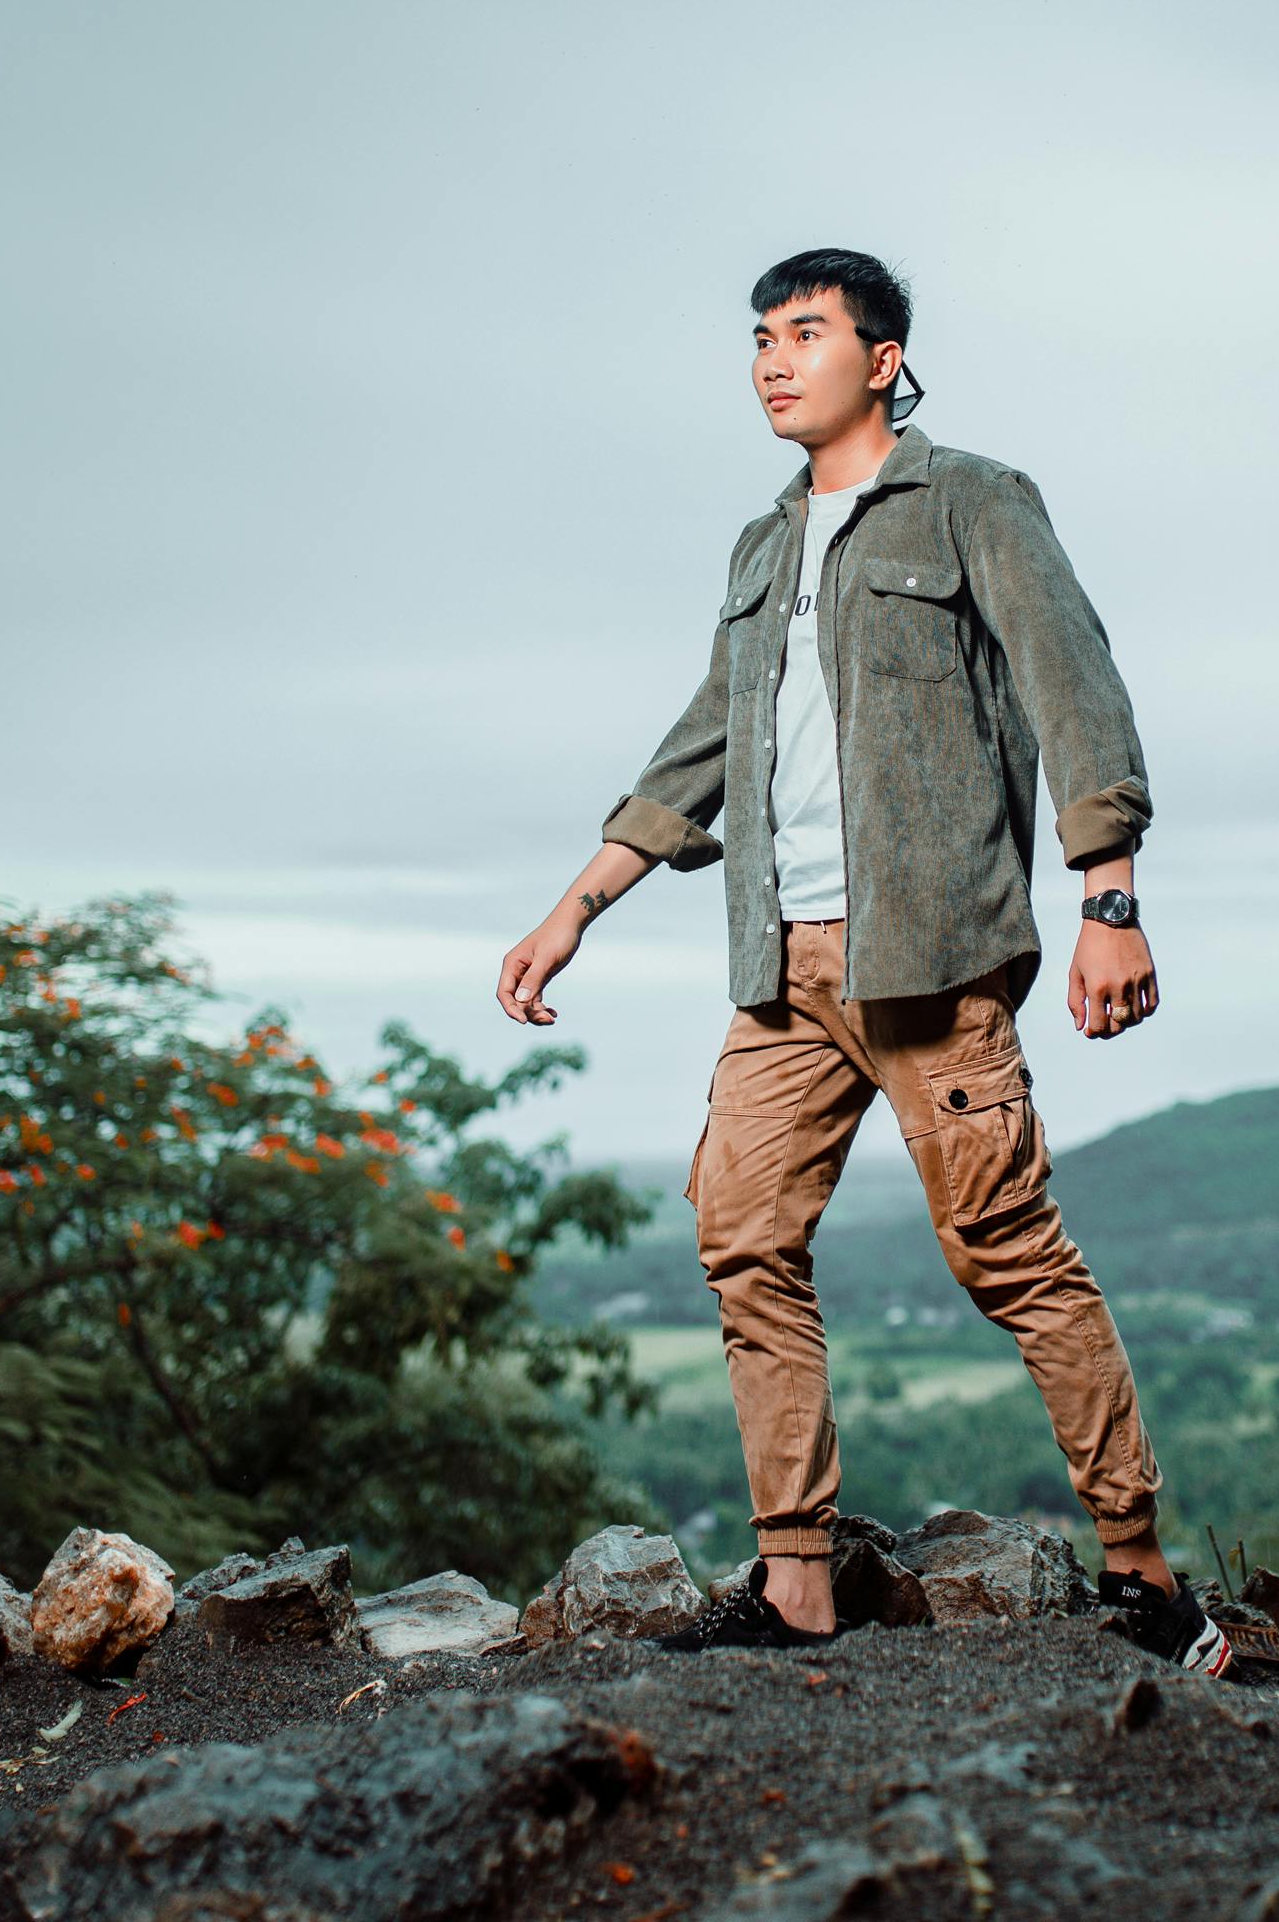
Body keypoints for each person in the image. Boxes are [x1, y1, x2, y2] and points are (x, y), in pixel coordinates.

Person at [496, 248, 1231, 1677]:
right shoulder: (763, 548)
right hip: (779, 967)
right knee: (742, 1239)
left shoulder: (974, 502)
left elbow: (1073, 683)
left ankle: (1149, 1586)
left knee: (1010, 1256)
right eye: (759, 337)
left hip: (930, 957)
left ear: (883, 357)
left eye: (808, 333)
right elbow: (703, 742)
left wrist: (1111, 896)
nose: (774, 358)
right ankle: (794, 1589)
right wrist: (576, 904)